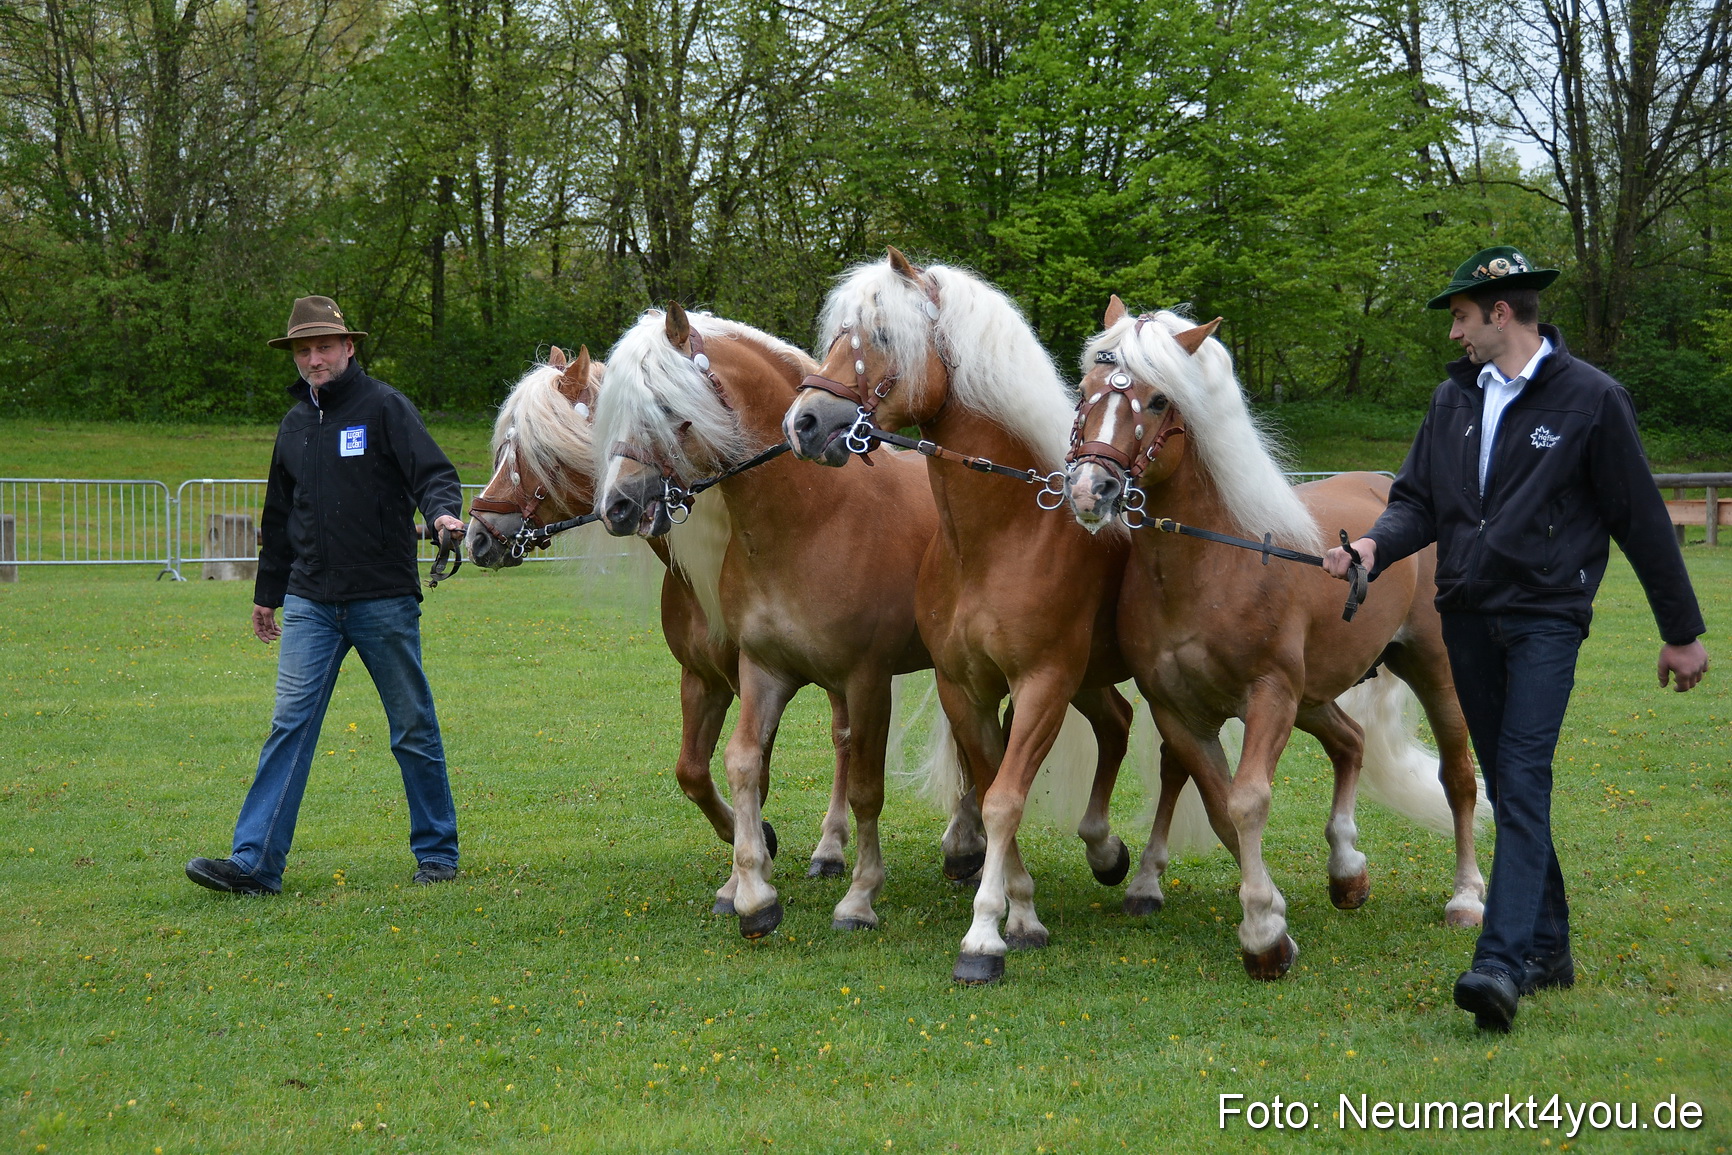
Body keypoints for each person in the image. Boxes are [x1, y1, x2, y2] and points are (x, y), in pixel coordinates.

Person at [1323, 246, 1709, 1032]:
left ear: (1502, 311)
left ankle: (1502, 961)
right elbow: (1418, 501)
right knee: (1506, 780)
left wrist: (1682, 633)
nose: (1455, 333)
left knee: (1524, 778)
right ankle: (1553, 948)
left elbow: (1640, 518)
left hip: (1546, 619)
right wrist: (1372, 548)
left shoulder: (1592, 400)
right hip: (1466, 612)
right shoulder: (1452, 400)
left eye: (1462, 316)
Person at [187, 295, 467, 896]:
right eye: (302, 350)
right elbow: (279, 513)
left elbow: (433, 474)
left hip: (382, 598)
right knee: (290, 724)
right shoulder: (293, 424)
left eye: (323, 347)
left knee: (412, 726)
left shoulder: (386, 407)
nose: (313, 358)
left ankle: (438, 852)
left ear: (348, 347)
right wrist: (268, 593)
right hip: (311, 600)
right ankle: (255, 864)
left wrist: (443, 515)